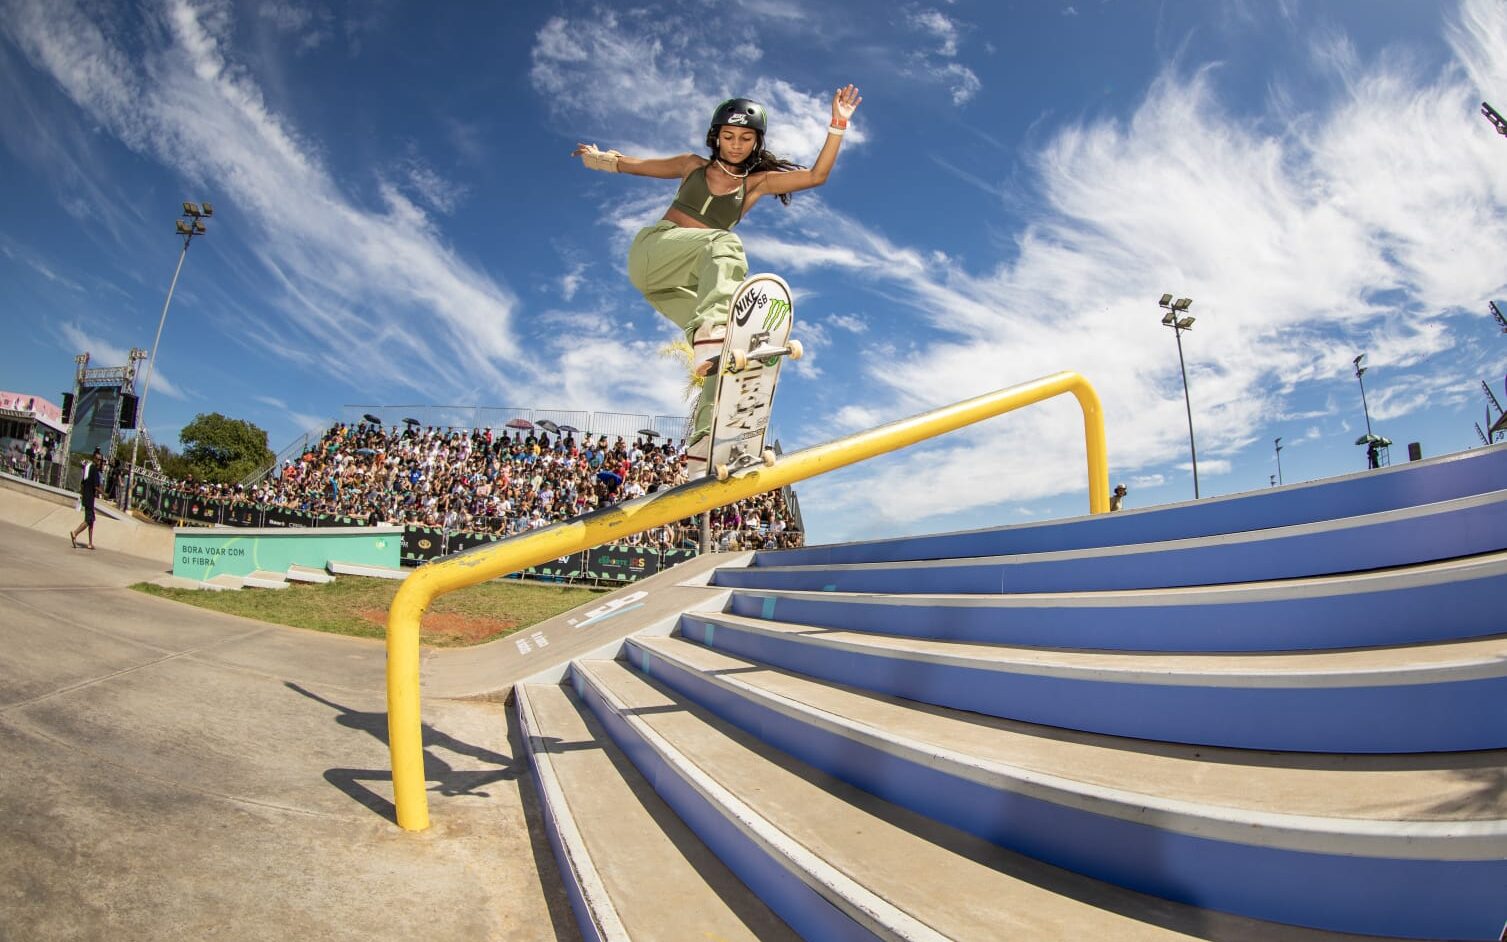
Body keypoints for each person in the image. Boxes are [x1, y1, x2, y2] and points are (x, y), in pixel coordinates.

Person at [572, 84, 863, 471]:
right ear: (716, 137)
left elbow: (816, 176)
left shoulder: (755, 183)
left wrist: (837, 124)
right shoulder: (692, 165)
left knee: (728, 349)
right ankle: (712, 329)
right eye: (728, 137)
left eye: (745, 138)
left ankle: (704, 444)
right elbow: (634, 164)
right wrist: (598, 158)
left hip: (668, 287)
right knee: (725, 245)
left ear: (756, 142)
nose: (736, 145)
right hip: (653, 252)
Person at [70, 449, 102, 549]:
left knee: (91, 520)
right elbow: (95, 486)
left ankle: (90, 543)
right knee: (89, 520)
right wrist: (104, 493)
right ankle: (75, 533)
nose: (99, 461)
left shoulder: (87, 468)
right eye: (98, 459)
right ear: (94, 459)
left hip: (86, 496)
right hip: (89, 498)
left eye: (100, 460)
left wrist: (82, 494)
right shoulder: (95, 470)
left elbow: (83, 483)